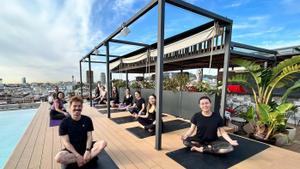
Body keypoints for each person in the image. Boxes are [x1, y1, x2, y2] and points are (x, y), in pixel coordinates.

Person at [55, 96, 107, 167]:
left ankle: (83, 159)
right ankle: (85, 159)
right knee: (58, 158)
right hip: (72, 150)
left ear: (82, 107)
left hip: (86, 146)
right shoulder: (64, 123)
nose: (77, 108)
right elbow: (66, 142)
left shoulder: (87, 119)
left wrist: (88, 150)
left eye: (79, 106)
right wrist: (77, 155)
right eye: (75, 106)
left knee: (103, 143)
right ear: (70, 107)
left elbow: (89, 137)